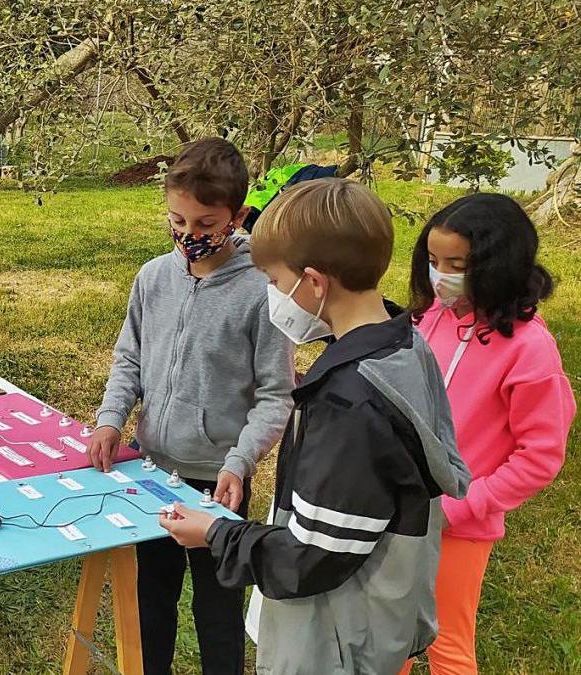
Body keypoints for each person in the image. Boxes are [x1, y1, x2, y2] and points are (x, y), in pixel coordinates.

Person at [160, 178, 472, 674]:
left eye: (276, 282)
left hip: (335, 641)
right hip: (376, 619)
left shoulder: (349, 403)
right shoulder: (403, 347)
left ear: (314, 282)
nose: (273, 295)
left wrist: (217, 534)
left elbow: (311, 557)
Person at [86, 138, 294, 675]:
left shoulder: (261, 292)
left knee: (217, 612)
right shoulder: (153, 277)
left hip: (217, 485)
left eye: (205, 224)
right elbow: (129, 356)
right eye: (177, 220)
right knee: (149, 603)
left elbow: (276, 394)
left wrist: (239, 461)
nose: (188, 236)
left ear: (238, 216)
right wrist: (112, 419)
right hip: (153, 471)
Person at [399, 194, 575, 675]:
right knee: (386, 634)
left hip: (459, 527)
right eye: (433, 262)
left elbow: (539, 456)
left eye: (456, 264)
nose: (441, 276)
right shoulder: (425, 320)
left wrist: (463, 507)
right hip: (398, 511)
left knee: (446, 644)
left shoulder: (530, 349)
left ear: (499, 264)